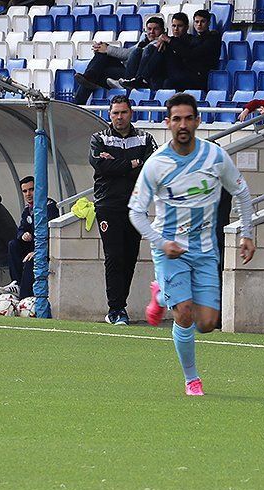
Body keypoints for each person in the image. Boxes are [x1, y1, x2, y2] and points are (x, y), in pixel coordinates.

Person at [129, 93, 255, 396]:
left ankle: (160, 296)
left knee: (208, 323)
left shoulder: (214, 157)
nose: (182, 125)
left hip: (205, 250)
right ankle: (192, 379)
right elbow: (136, 212)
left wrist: (248, 233)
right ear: (167, 123)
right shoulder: (156, 164)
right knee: (183, 312)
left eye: (188, 118)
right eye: (176, 119)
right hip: (170, 249)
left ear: (198, 121)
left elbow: (242, 192)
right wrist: (161, 242)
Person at [89, 95, 158, 325]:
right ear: (109, 114)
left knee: (129, 257)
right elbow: (101, 166)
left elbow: (152, 167)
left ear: (131, 113)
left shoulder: (145, 138)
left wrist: (118, 164)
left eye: (123, 112)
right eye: (115, 113)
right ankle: (115, 309)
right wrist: (131, 163)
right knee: (114, 256)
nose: (119, 117)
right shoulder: (99, 138)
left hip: (136, 207)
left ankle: (121, 307)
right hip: (108, 205)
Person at [75, 16, 166, 105]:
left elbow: (130, 54)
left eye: (155, 29)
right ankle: (89, 78)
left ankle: (78, 104)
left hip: (135, 77)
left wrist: (107, 48)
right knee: (98, 65)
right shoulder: (143, 41)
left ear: (162, 30)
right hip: (126, 70)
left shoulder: (160, 43)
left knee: (99, 67)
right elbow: (128, 53)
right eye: (149, 29)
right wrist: (104, 48)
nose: (152, 32)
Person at [0, 176, 59, 300]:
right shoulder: (27, 210)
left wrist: (37, 251)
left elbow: (52, 234)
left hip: (47, 249)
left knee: (32, 261)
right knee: (13, 245)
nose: (28, 194)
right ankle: (17, 283)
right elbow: (21, 229)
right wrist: (23, 235)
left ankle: (24, 297)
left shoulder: (49, 206)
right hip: (33, 247)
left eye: (31, 190)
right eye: (25, 191)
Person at [116, 13, 193, 91]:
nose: (176, 29)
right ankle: (136, 80)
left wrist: (167, 40)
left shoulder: (191, 40)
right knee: (138, 51)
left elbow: (187, 54)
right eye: (173, 26)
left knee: (151, 49)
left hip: (181, 73)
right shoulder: (166, 40)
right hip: (163, 71)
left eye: (179, 26)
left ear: (186, 27)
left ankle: (140, 79)